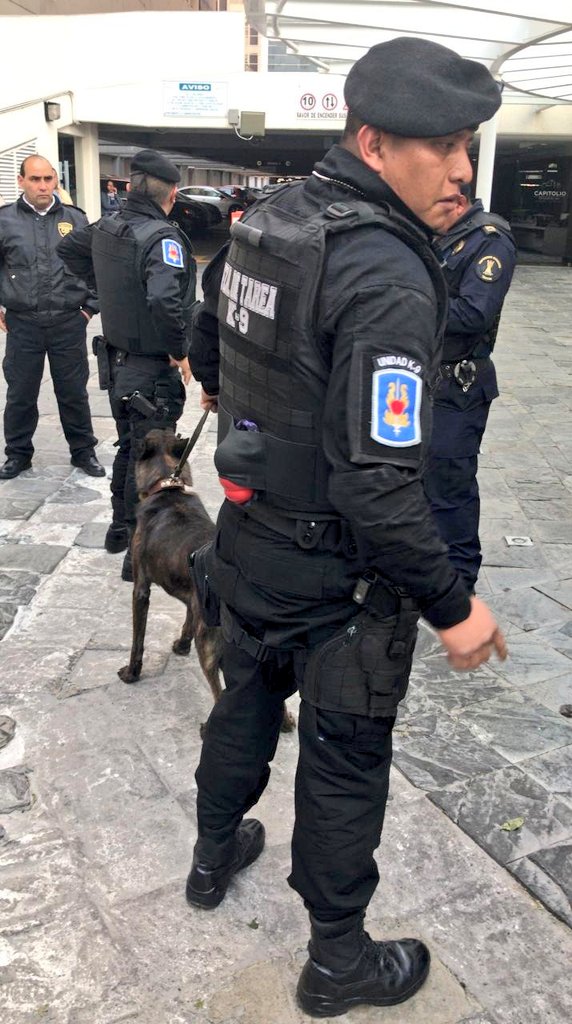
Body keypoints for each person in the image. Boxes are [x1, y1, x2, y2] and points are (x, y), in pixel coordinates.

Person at [186, 36, 507, 1019]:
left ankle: (210, 857)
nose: (459, 170)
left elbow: (208, 344)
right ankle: (335, 962)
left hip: (245, 540)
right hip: (335, 575)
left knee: (240, 703)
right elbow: (379, 485)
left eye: (466, 147)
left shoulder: (273, 218)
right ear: (372, 141)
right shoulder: (386, 272)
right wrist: (451, 606)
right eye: (439, 147)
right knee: (342, 757)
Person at [58, 150, 196, 581]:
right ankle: (137, 553)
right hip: (150, 372)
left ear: (130, 187)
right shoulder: (161, 238)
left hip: (118, 365)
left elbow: (67, 249)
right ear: (171, 193)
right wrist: (180, 349)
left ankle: (120, 531)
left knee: (129, 449)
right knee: (153, 459)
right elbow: (164, 300)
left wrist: (106, 287)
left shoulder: (106, 227)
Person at [425, 189, 517, 591]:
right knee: (417, 480)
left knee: (450, 484)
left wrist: (409, 306)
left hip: (459, 385)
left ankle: (460, 581)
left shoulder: (490, 240)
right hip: (425, 380)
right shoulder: (438, 236)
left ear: (457, 202)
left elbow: (474, 313)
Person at [0, 155, 104, 480]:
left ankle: (83, 452)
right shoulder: (5, 221)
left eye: (48, 179)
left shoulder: (76, 219)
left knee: (73, 391)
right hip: (23, 324)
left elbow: (98, 268)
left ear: (56, 180)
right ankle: (18, 455)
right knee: (21, 393)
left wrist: (89, 309)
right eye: (35, 179)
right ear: (21, 181)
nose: (43, 185)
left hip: (68, 322)